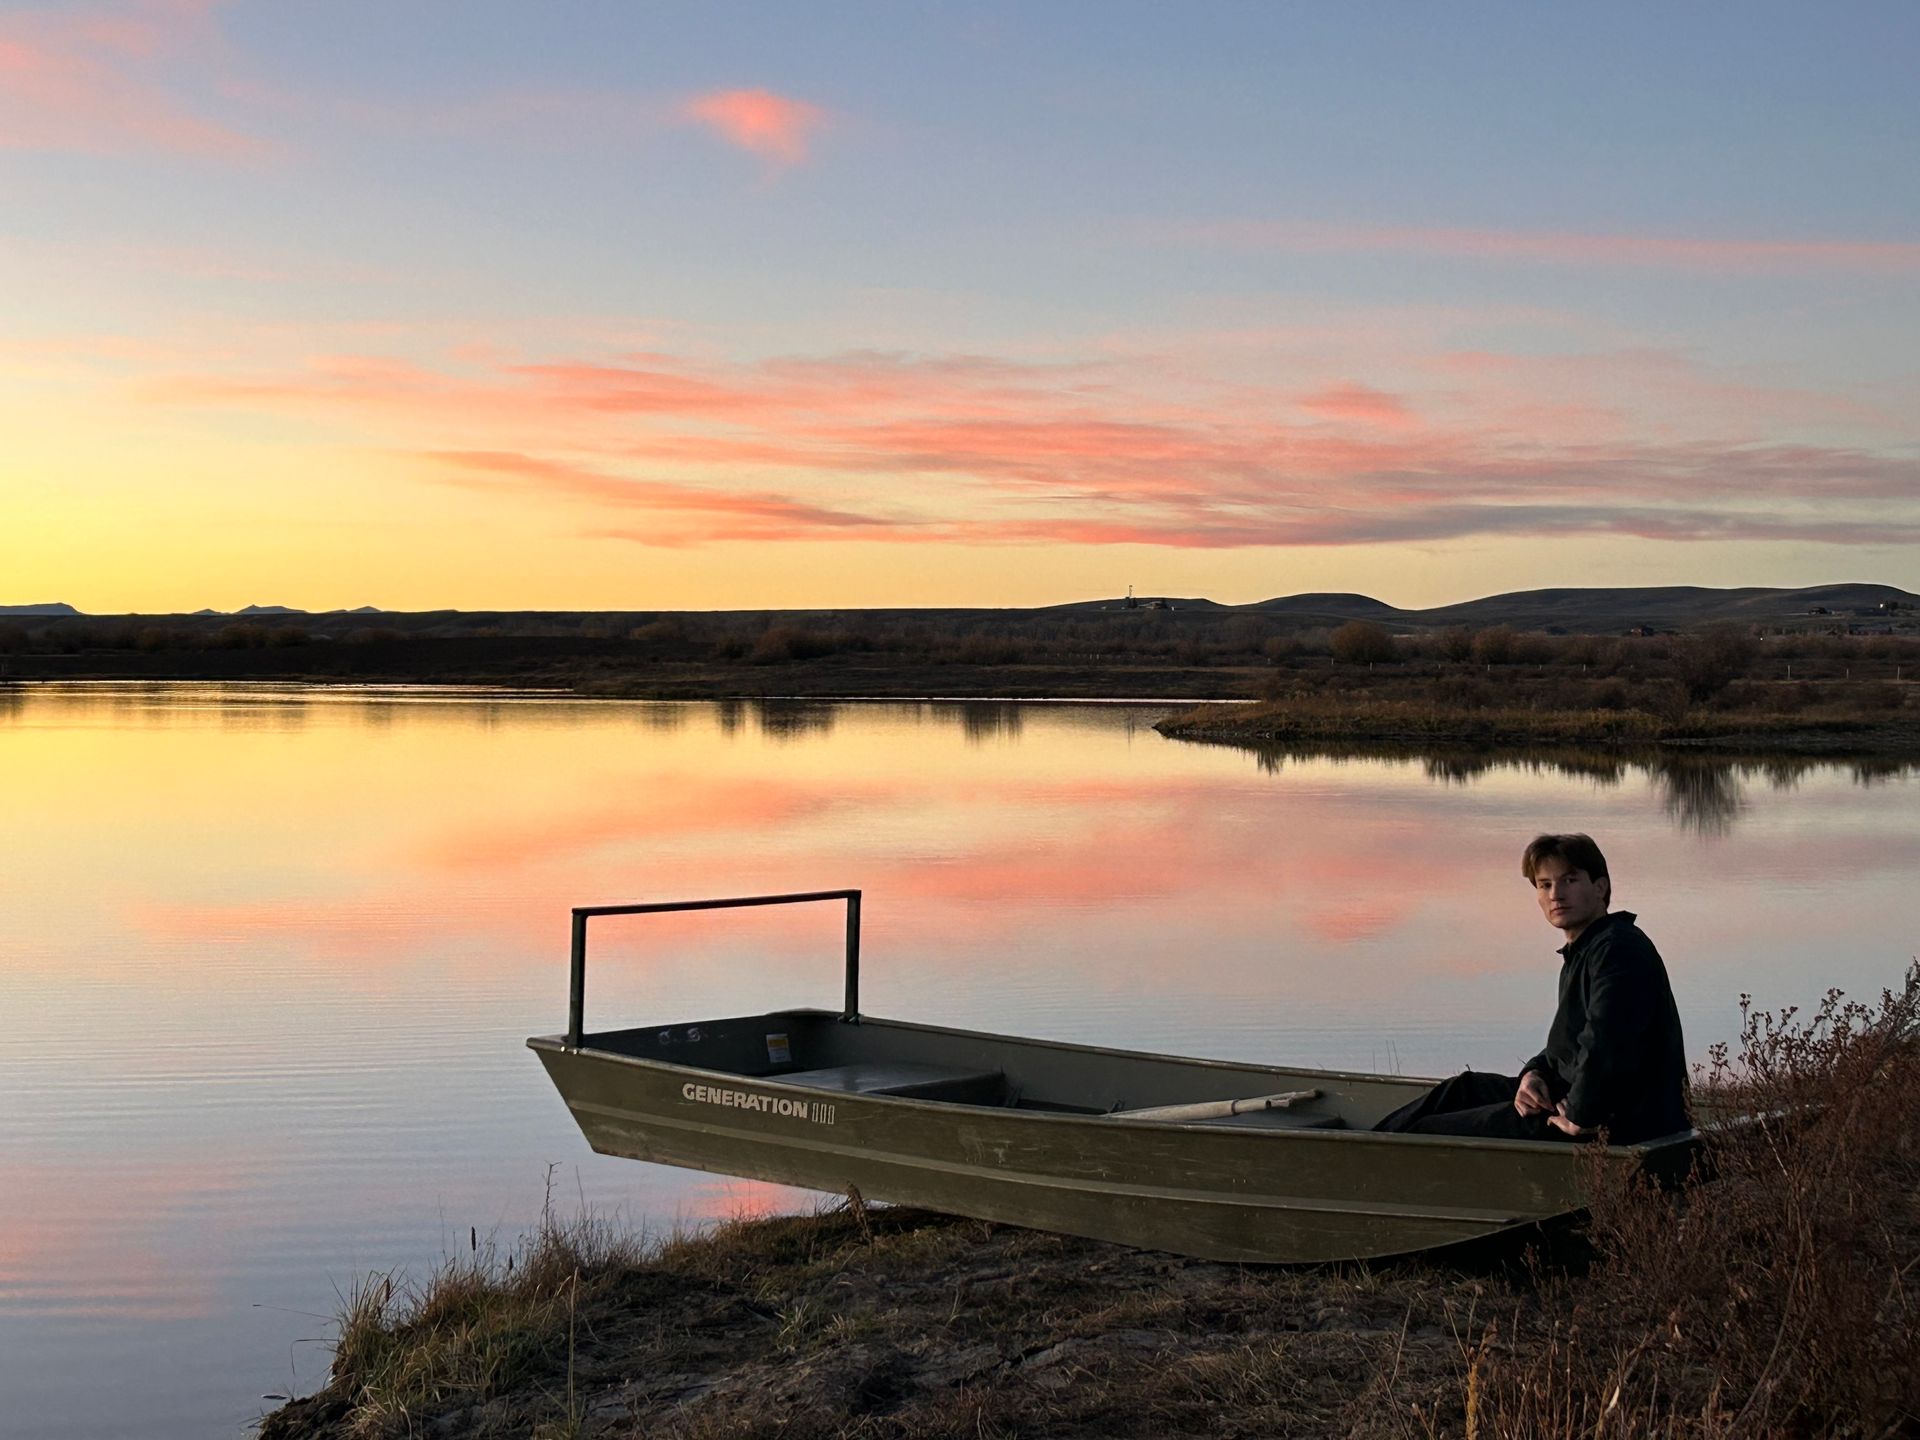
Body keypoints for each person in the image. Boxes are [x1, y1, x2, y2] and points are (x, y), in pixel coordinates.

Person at [1372, 833, 1688, 1144]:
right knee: (1464, 1088)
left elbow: (1608, 1040)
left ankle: (1361, 1159)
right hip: (1578, 1097)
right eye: (1545, 884)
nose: (1556, 895)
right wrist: (1534, 1074)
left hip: (1616, 1121)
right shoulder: (1589, 948)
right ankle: (1361, 1144)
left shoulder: (1616, 949)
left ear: (1600, 887)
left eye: (1570, 880)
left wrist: (1581, 1114)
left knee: (1429, 1131)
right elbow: (1570, 1045)